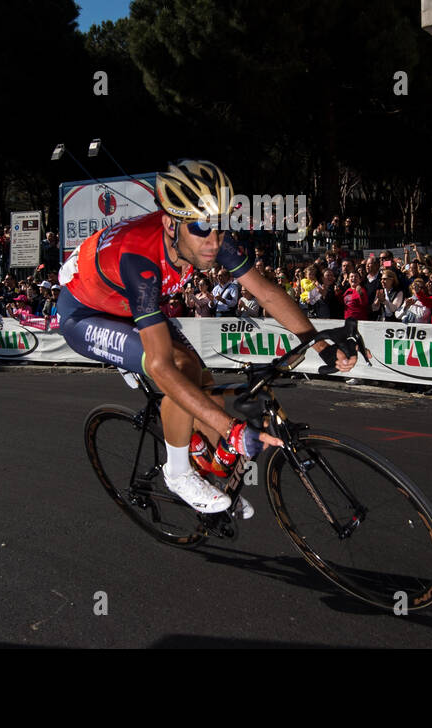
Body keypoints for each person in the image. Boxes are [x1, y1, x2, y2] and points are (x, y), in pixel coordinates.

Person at [57, 160, 356, 516]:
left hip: (129, 305)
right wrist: (232, 429)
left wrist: (319, 344)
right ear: (170, 224)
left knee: (207, 391)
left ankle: (211, 479)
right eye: (201, 228)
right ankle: (178, 473)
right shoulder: (140, 259)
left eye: (219, 227)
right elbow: (164, 367)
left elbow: (266, 293)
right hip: (86, 315)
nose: (213, 244)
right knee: (179, 370)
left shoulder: (207, 242)